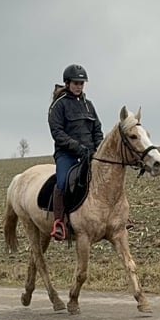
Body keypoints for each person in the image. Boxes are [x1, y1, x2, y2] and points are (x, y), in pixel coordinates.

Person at [47, 63, 103, 241]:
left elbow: (97, 129)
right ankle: (59, 223)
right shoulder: (58, 106)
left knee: (106, 179)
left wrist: (98, 148)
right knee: (62, 182)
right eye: (75, 83)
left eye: (81, 83)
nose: (79, 86)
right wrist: (77, 148)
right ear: (67, 83)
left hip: (90, 154)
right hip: (67, 155)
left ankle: (113, 218)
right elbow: (58, 133)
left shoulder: (89, 105)